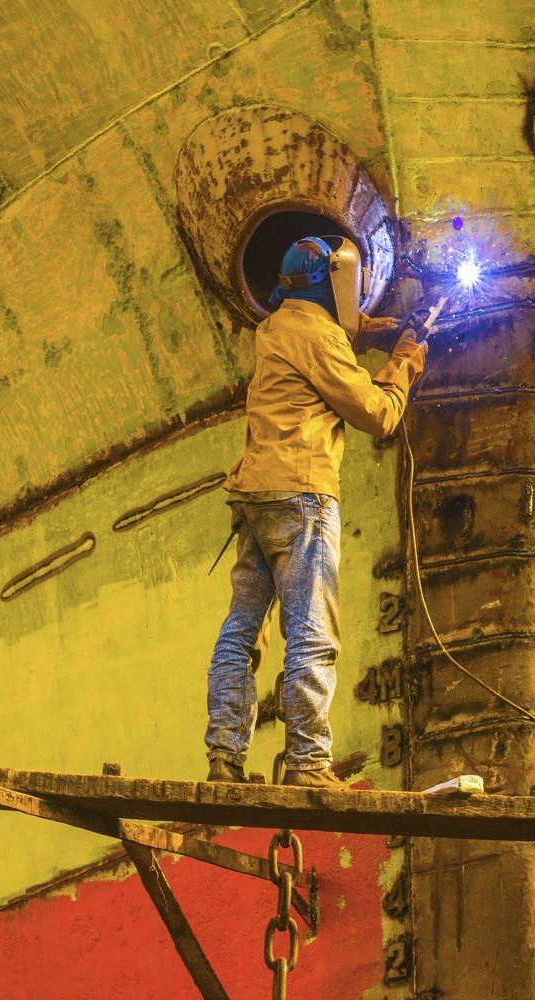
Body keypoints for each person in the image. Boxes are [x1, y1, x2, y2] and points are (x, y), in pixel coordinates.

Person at [204, 235, 426, 787]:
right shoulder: (322, 339)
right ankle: (307, 763)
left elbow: (330, 331)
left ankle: (224, 758)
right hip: (302, 497)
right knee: (311, 632)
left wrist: (379, 328)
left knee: (240, 633)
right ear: (337, 282)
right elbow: (378, 414)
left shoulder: (275, 326)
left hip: (255, 497)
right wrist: (404, 360)